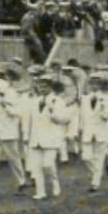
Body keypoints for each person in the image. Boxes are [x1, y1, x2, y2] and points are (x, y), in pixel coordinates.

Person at [24, 73, 73, 201]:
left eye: (45, 86)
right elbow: (29, 120)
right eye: (40, 86)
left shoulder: (58, 101)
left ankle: (55, 184)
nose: (42, 89)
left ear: (50, 87)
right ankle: (40, 192)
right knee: (36, 167)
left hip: (51, 138)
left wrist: (53, 112)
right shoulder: (34, 102)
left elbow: (66, 119)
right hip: (36, 139)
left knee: (48, 165)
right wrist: (26, 135)